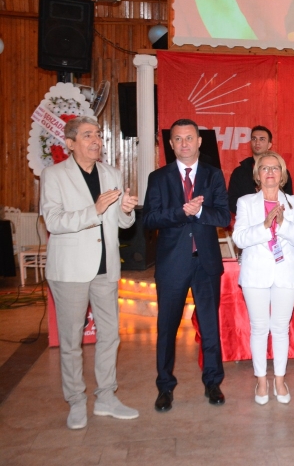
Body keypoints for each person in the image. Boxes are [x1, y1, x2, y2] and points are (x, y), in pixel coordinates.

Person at [40, 116, 139, 430]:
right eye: (87, 135)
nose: (96, 140)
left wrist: (126, 211)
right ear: (70, 143)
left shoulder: (111, 173)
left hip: (106, 267)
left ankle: (106, 397)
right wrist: (93, 210)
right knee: (71, 341)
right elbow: (54, 221)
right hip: (70, 270)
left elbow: (121, 223)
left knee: (110, 335)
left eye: (97, 134)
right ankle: (76, 401)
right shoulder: (54, 175)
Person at [143, 119, 231, 412]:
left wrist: (201, 210)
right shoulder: (159, 177)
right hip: (172, 264)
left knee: (209, 326)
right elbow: (150, 219)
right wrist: (181, 212)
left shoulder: (213, 175)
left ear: (199, 141)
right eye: (178, 139)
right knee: (167, 328)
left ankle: (213, 382)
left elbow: (223, 217)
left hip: (206, 263)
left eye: (189, 138)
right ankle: (165, 386)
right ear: (170, 144)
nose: (184, 143)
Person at [232, 151, 294, 405]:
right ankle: (262, 381)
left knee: (280, 329)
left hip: (285, 274)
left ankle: (280, 380)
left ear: (282, 174)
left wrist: (282, 224)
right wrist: (265, 226)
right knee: (259, 328)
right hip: (255, 274)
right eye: (265, 168)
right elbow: (239, 238)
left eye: (275, 168)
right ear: (258, 174)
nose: (270, 172)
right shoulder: (245, 202)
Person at [228, 126, 293, 214]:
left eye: (262, 139)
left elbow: (288, 201)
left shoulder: (281, 172)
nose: (257, 142)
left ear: (269, 145)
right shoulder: (239, 172)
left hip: (276, 218)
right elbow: (232, 202)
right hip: (248, 219)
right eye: (254, 139)